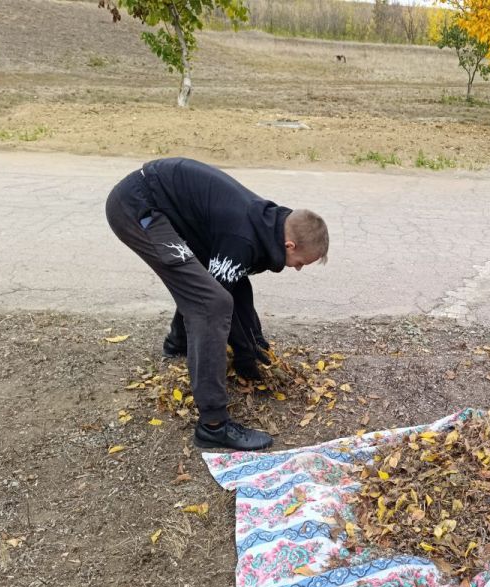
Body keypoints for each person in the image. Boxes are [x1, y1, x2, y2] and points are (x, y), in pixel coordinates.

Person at [105, 157, 329, 450]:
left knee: (204, 288)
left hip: (159, 203)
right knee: (211, 303)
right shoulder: (244, 237)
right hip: (138, 208)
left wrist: (256, 347)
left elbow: (232, 284)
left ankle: (177, 343)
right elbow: (218, 298)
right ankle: (213, 425)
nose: (298, 268)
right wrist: (248, 359)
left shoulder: (263, 226)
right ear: (290, 245)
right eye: (301, 262)